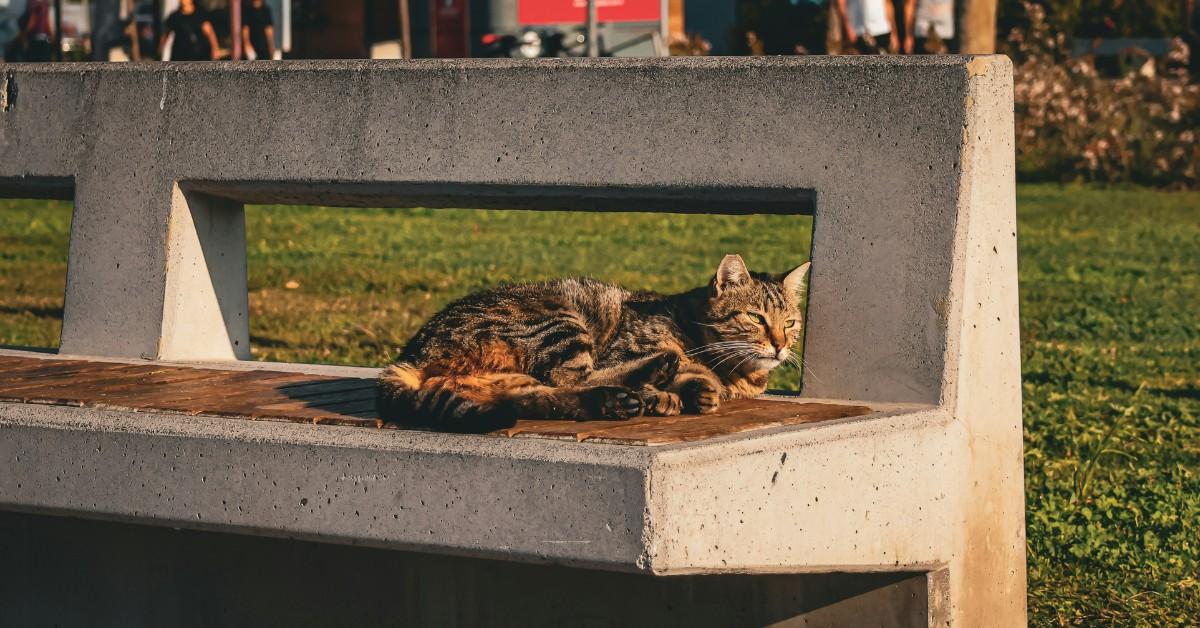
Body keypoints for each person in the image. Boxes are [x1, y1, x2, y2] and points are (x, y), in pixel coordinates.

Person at [834, 0, 898, 54]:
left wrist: (893, 32)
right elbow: (841, 4)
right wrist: (848, 27)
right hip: (859, 33)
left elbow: (888, 4)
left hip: (883, 30)